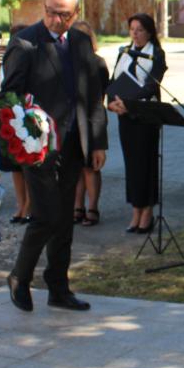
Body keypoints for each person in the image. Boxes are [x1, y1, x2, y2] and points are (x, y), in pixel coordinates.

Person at [1, 0, 107, 313]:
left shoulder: (79, 42)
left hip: (73, 144)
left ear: (76, 13)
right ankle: (20, 276)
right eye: (50, 12)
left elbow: (92, 96)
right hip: (38, 147)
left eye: (63, 14)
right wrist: (27, 133)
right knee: (45, 216)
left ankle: (58, 287)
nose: (55, 20)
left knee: (63, 220)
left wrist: (97, 142)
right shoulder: (25, 43)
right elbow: (9, 97)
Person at [106, 13, 167, 234]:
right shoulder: (124, 52)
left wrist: (129, 103)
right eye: (132, 29)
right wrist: (112, 103)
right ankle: (135, 210)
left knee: (146, 164)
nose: (135, 33)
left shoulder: (156, 54)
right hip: (126, 118)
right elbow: (114, 81)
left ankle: (147, 211)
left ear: (149, 32)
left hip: (146, 117)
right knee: (132, 165)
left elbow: (151, 86)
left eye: (139, 29)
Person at [70, 19, 109, 227]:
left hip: (91, 120)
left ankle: (92, 207)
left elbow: (99, 95)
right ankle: (78, 206)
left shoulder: (97, 62)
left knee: (91, 167)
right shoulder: (67, 60)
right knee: (76, 167)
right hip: (72, 122)